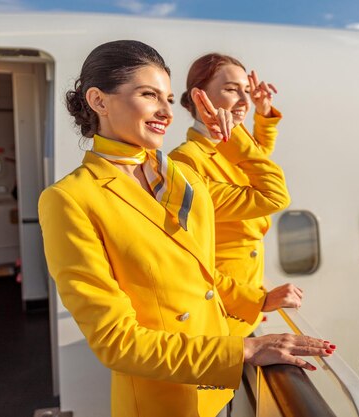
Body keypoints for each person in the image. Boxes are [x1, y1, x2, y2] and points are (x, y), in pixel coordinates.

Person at [38, 40, 335, 417]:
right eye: (148, 95)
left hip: (217, 388)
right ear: (99, 101)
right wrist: (243, 350)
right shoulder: (69, 198)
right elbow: (115, 341)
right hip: (165, 401)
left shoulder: (179, 177)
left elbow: (201, 277)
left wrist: (256, 301)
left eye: (165, 97)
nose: (166, 110)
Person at [170, 53, 282, 337]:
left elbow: (255, 158)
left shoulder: (229, 149)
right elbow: (271, 192)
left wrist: (264, 112)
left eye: (246, 90)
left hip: (244, 302)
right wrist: (257, 301)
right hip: (220, 310)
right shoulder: (185, 162)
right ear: (199, 97)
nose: (244, 101)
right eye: (232, 90)